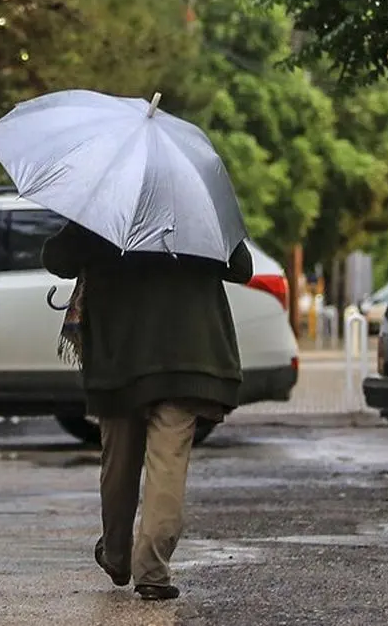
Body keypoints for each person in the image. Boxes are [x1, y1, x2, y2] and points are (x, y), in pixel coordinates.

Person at [42, 221, 253, 601]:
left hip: (119, 357)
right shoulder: (197, 206)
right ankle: (152, 571)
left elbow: (57, 259)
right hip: (189, 356)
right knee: (168, 463)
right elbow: (241, 268)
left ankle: (117, 555)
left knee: (119, 461)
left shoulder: (106, 206)